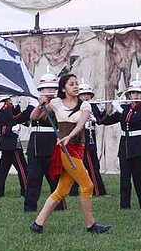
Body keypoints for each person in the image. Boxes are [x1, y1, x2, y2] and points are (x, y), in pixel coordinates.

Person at [28, 74, 111, 234]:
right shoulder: (56, 103)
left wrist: (69, 136)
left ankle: (37, 224)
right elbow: (34, 118)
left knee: (61, 191)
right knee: (87, 185)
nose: (75, 86)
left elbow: (81, 124)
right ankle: (91, 225)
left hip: (77, 147)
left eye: (76, 83)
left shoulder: (85, 105)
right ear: (63, 88)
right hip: (65, 151)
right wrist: (40, 105)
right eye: (71, 84)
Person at [99, 79, 141, 209]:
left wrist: (121, 111)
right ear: (129, 95)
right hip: (125, 146)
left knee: (140, 178)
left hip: (139, 146)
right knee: (124, 178)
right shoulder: (125, 108)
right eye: (133, 93)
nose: (135, 95)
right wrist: (101, 111)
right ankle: (124, 205)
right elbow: (107, 121)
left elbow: (137, 120)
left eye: (138, 93)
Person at [22, 70, 66, 212]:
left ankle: (59, 206)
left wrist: (49, 103)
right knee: (33, 177)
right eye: (47, 88)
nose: (50, 91)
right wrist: (39, 104)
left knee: (54, 177)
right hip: (36, 142)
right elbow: (33, 117)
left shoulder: (59, 103)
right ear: (41, 90)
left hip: (52, 141)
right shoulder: (34, 101)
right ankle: (30, 207)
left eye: (53, 88)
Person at [0, 95, 29, 197]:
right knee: (23, 169)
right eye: (13, 97)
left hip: (8, 144)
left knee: (2, 170)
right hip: (11, 144)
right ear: (8, 99)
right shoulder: (4, 111)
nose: (16, 98)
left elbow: (18, 117)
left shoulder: (11, 109)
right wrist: (11, 129)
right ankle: (26, 191)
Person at [77, 82, 108, 196]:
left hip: (90, 138)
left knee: (93, 164)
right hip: (79, 138)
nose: (86, 97)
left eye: (88, 95)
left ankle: (97, 190)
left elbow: (100, 121)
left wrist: (101, 110)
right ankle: (75, 191)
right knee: (78, 165)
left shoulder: (92, 106)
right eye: (83, 95)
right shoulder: (75, 106)